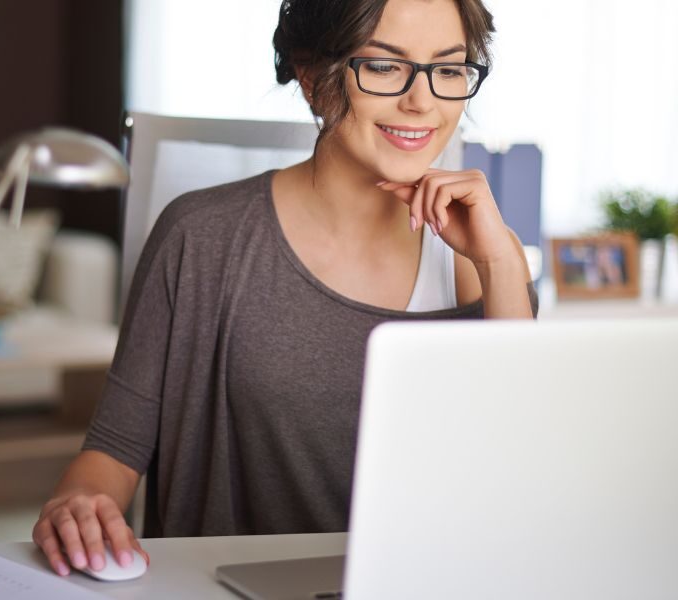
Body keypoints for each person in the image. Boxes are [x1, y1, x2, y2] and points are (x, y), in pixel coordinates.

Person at [33, 0, 538, 577]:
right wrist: (80, 506)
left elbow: (523, 487)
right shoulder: (201, 237)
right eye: (382, 66)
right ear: (311, 77)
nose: (421, 100)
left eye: (448, 69)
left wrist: (502, 265)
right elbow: (111, 455)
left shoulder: (487, 259)